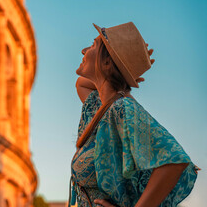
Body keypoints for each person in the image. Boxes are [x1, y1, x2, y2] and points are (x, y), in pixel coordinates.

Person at [69, 22, 199, 207]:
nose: (83, 50)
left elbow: (175, 161)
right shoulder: (98, 108)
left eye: (93, 45)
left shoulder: (121, 109)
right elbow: (81, 83)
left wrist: (122, 74)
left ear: (106, 63)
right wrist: (123, 75)